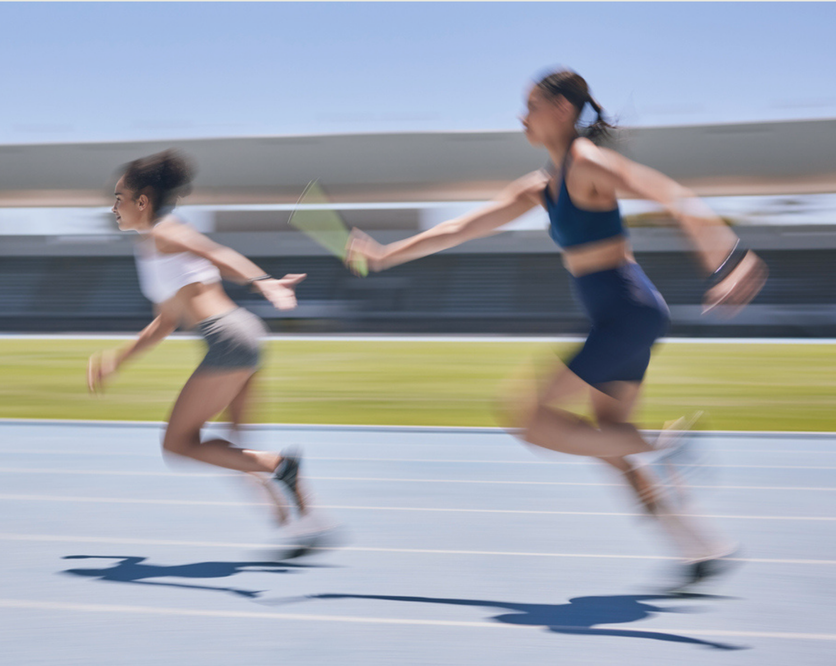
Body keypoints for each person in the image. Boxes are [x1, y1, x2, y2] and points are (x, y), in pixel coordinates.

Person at [346, 69, 767, 588]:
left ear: (562, 110)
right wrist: (386, 255)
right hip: (622, 314)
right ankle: (698, 547)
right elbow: (462, 226)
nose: (521, 116)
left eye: (530, 105)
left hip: (625, 312)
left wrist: (729, 258)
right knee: (610, 445)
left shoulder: (588, 163)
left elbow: (670, 195)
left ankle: (667, 443)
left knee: (527, 417)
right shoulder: (543, 186)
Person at [87, 149, 329, 552]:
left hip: (227, 339)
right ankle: (307, 521)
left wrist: (263, 282)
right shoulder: (151, 249)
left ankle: (280, 468)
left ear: (141, 201)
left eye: (118, 198)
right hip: (245, 334)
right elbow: (165, 322)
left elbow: (215, 252)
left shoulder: (166, 232)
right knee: (231, 448)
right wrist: (117, 361)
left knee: (178, 443)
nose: (113, 208)